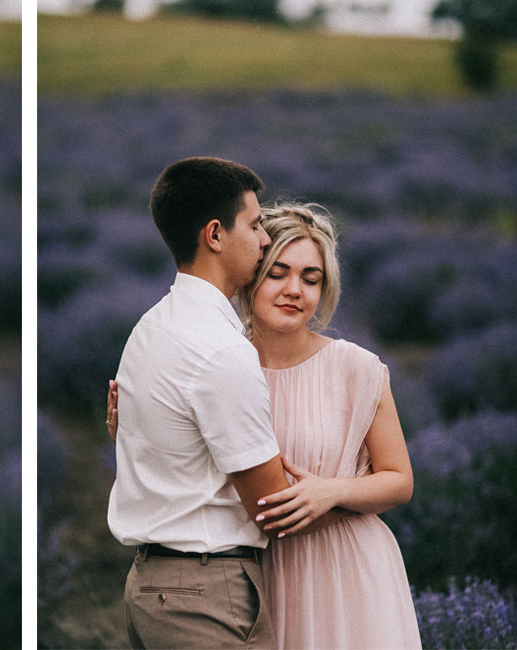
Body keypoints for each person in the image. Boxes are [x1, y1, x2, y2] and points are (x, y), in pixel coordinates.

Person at [110, 203, 421, 648]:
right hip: (253, 570)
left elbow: (400, 480)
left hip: (344, 566)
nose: (294, 290)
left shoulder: (357, 368)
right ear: (253, 274)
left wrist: (333, 490)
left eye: (311, 279)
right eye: (278, 273)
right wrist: (141, 425)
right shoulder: (216, 363)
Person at [106, 157, 333, 649]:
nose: (265, 239)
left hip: (154, 586)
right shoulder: (221, 350)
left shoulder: (151, 327)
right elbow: (270, 508)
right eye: (254, 226)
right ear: (214, 234)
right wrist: (342, 495)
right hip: (203, 596)